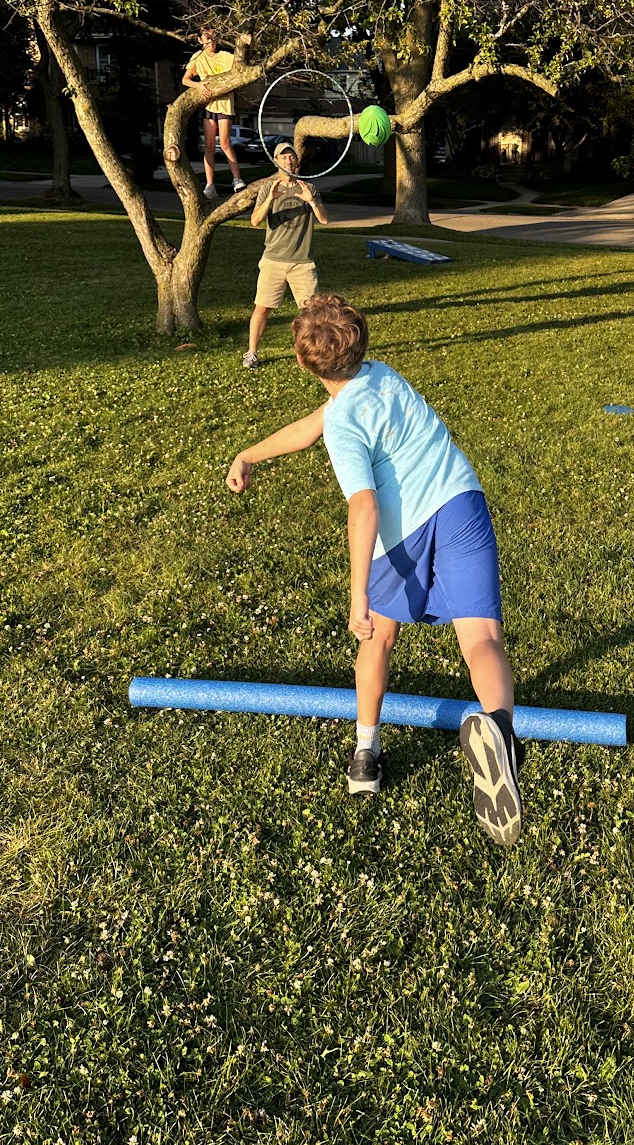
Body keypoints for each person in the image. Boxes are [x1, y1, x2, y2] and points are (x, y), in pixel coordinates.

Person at [224, 293, 524, 846]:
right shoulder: (384, 376)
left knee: (377, 637)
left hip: (403, 531)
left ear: (302, 363)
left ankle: (366, 755)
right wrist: (249, 453)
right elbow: (312, 424)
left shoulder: (343, 423)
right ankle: (501, 733)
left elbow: (363, 506)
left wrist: (357, 594)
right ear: (361, 344)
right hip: (461, 501)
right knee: (481, 637)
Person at [243, 141, 328, 370]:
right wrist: (270, 198)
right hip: (273, 260)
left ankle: (309, 355)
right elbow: (255, 220)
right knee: (262, 307)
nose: (288, 161)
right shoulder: (267, 189)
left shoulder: (308, 188)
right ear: (276, 161)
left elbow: (324, 219)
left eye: (291, 157)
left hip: (302, 262)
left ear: (296, 161)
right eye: (283, 157)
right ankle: (252, 353)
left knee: (311, 313)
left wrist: (311, 201)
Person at [181, 26, 245, 198]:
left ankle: (237, 179)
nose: (211, 41)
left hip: (225, 104)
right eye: (207, 38)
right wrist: (199, 86)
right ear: (201, 40)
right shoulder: (198, 58)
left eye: (214, 38)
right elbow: (186, 80)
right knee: (209, 146)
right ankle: (210, 185)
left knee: (224, 143)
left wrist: (246, 43)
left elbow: (242, 65)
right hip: (209, 106)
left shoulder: (225, 56)